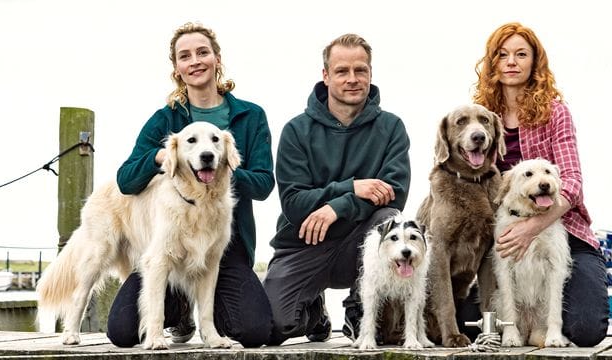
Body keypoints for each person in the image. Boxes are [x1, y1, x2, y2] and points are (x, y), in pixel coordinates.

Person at [106, 22, 274, 348]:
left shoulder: (251, 116)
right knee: (123, 332)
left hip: (225, 250)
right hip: (170, 246)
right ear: (177, 69)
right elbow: (126, 181)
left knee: (254, 331)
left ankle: (207, 320)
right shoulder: (165, 119)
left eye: (202, 52)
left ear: (217, 59)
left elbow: (265, 184)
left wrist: (222, 168)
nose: (195, 61)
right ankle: (180, 310)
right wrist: (161, 158)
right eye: (185, 56)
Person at [263, 33, 412, 345]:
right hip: (304, 244)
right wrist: (353, 188)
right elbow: (294, 203)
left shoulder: (391, 128)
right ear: (326, 75)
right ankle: (314, 313)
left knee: (387, 217)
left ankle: (359, 310)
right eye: (342, 71)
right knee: (273, 326)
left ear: (371, 73)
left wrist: (338, 207)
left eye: (361, 70)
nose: (353, 79)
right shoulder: (296, 131)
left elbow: (394, 193)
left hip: (358, 246)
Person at [473, 22, 609, 346]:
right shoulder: (480, 116)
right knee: (473, 324)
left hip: (564, 229)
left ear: (535, 62)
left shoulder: (555, 113)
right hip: (504, 231)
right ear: (492, 63)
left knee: (587, 330)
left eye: (521, 54)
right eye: (502, 55)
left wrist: (533, 227)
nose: (511, 62)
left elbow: (573, 182)